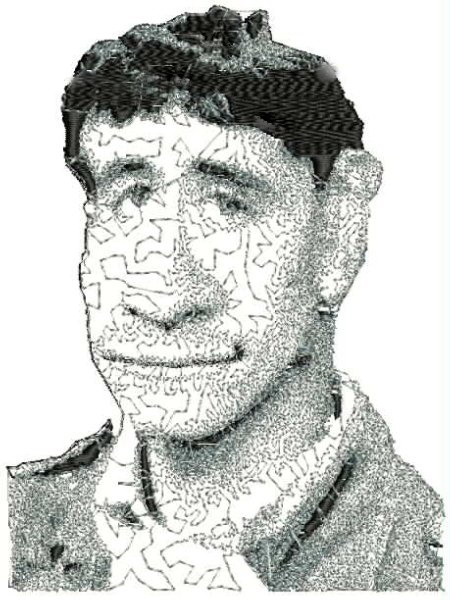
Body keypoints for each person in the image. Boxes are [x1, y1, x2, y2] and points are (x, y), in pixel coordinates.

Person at [8, 6, 443, 592]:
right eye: (128, 198)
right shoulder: (17, 524)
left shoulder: (425, 562)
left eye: (228, 205)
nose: (161, 295)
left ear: (339, 232)